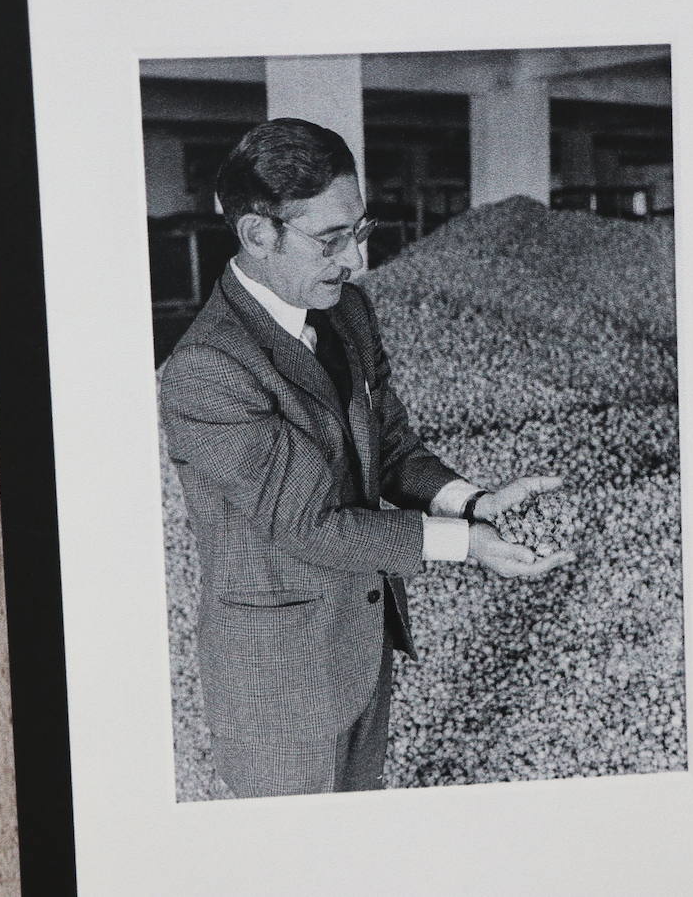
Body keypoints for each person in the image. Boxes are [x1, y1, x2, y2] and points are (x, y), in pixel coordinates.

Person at [160, 118, 574, 797]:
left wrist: (471, 500)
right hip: (279, 690)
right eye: (330, 240)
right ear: (259, 236)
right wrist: (467, 544)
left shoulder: (347, 311)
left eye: (359, 231)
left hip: (359, 652)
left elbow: (391, 448)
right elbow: (309, 525)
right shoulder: (208, 370)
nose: (355, 261)